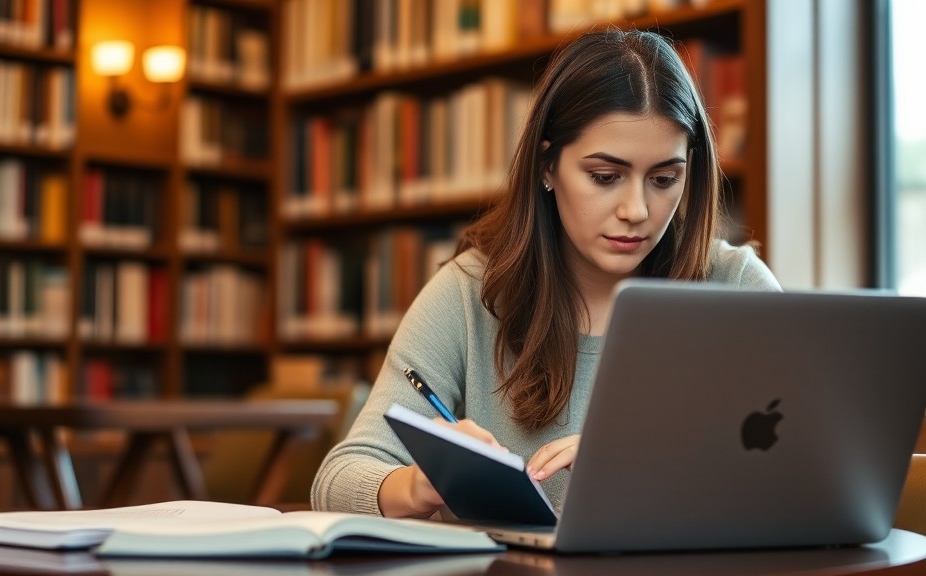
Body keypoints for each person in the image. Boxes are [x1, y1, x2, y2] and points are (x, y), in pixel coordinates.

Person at [311, 28, 781, 519]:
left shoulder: (737, 285)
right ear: (546, 166)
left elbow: (824, 472)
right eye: (605, 177)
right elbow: (341, 476)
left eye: (665, 179)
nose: (637, 209)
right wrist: (415, 485)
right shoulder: (471, 291)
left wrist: (653, 462)